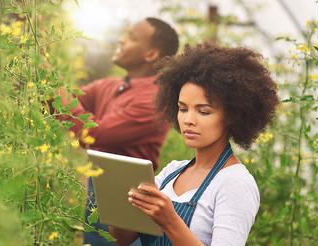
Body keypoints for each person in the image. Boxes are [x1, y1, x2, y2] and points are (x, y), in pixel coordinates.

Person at [109, 43, 280, 246]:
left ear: (232, 116)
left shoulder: (235, 183)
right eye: (182, 109)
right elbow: (121, 240)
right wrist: (125, 207)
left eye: (203, 111)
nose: (189, 120)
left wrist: (170, 221)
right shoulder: (172, 171)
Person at [59, 17, 179, 245]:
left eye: (132, 37)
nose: (121, 40)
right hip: (98, 189)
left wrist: (54, 88)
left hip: (128, 202)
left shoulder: (153, 100)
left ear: (151, 54)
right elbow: (68, 100)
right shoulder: (112, 85)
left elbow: (95, 134)